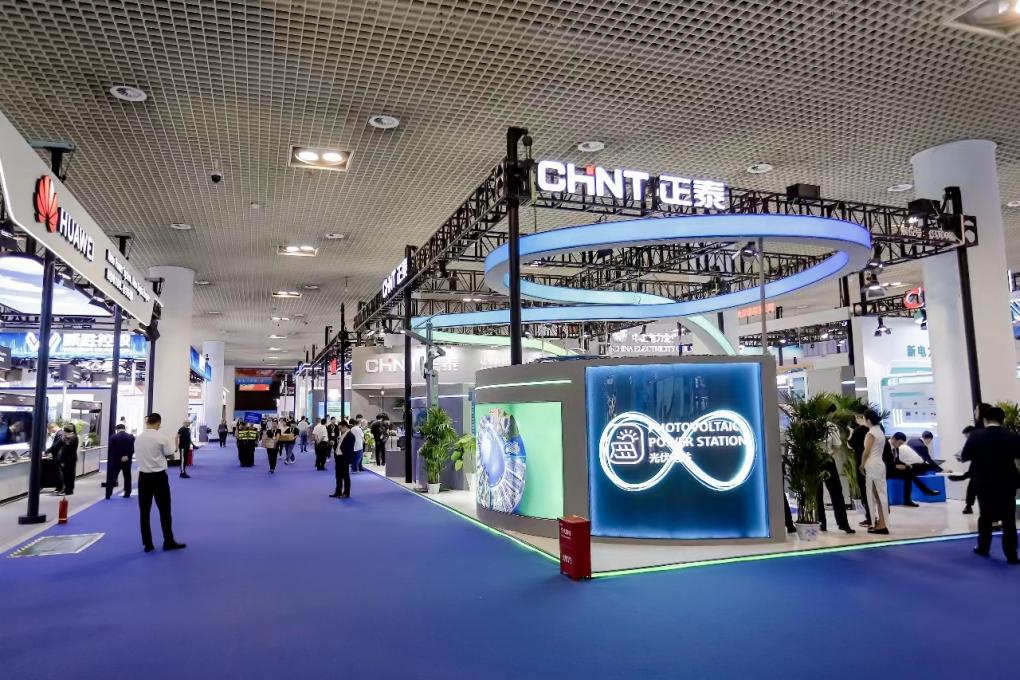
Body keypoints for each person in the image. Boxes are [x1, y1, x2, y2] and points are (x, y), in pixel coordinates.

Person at [960, 406, 1020, 564]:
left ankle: (983, 547)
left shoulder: (976, 435)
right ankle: (1011, 554)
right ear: (1003, 420)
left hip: (983, 481)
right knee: (1009, 518)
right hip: (1007, 482)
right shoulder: (1012, 436)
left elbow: (965, 455)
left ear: (985, 420)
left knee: (985, 516)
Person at [135, 413, 186, 552]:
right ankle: (168, 541)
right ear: (158, 423)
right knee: (164, 510)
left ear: (147, 423)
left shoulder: (138, 438)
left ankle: (148, 544)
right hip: (159, 477)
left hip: (143, 478)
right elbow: (170, 455)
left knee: (144, 512)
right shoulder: (161, 437)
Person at [818, 405, 855, 534]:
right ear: (829, 413)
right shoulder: (830, 426)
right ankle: (842, 524)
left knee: (821, 493)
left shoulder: (813, 425)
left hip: (820, 460)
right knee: (835, 492)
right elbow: (837, 445)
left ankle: (823, 523)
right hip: (826, 460)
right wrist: (829, 454)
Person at [888, 432, 941, 506]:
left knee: (909, 472)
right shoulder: (885, 446)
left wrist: (905, 465)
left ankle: (908, 499)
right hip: (885, 470)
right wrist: (895, 466)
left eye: (901, 444)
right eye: (899, 443)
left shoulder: (895, 447)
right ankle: (924, 491)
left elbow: (896, 460)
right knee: (909, 473)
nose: (900, 445)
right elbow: (884, 461)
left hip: (891, 468)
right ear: (893, 439)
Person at [859, 409, 890, 535]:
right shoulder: (880, 431)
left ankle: (882, 524)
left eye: (864, 419)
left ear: (868, 420)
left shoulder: (871, 433)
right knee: (880, 495)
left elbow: (866, 451)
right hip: (879, 464)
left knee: (876, 495)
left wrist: (862, 464)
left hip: (872, 464)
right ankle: (882, 522)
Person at [848, 413, 872, 527]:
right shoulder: (877, 429)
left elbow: (850, 445)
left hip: (862, 463)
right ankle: (881, 517)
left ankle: (870, 517)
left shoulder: (858, 431)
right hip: (876, 464)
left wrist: (851, 432)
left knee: (865, 490)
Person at [47, 424, 79, 496]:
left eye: (65, 431)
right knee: (65, 475)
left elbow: (67, 448)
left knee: (70, 475)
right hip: (64, 459)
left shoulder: (74, 437)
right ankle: (66, 489)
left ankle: (69, 490)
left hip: (70, 459)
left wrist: (66, 438)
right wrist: (47, 451)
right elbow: (56, 445)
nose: (64, 432)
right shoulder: (65, 437)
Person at [105, 423, 134, 499]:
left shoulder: (113, 437)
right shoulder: (131, 437)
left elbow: (111, 450)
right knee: (127, 476)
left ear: (117, 429)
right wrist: (127, 456)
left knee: (112, 477)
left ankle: (108, 494)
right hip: (127, 460)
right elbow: (132, 449)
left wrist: (118, 457)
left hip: (116, 461)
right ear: (124, 428)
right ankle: (127, 493)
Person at [331, 420, 354, 498]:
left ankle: (346, 493)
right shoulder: (344, 434)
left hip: (344, 459)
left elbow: (349, 450)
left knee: (345, 476)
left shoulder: (350, 435)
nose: (340, 430)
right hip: (339, 458)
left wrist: (346, 459)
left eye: (340, 428)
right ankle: (338, 492)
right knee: (338, 476)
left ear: (345, 426)